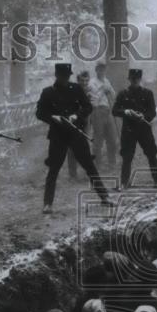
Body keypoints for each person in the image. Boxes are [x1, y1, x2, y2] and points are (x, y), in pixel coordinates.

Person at [35, 63, 113, 214]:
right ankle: (47, 204)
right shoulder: (48, 92)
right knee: (54, 169)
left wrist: (76, 115)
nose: (65, 79)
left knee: (90, 166)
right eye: (62, 76)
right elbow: (39, 113)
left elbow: (88, 107)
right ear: (57, 76)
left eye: (67, 76)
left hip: (76, 133)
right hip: (57, 135)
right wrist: (53, 117)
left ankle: (104, 196)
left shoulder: (76, 89)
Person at [112, 68, 157, 189]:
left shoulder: (148, 93)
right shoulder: (123, 94)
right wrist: (126, 111)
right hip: (129, 129)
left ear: (140, 79)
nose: (135, 81)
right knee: (127, 156)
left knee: (151, 153)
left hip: (144, 129)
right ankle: (124, 182)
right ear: (129, 79)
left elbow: (153, 112)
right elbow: (114, 110)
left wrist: (143, 116)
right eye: (132, 79)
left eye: (137, 79)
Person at [88, 62, 119, 169]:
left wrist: (109, 90)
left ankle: (112, 163)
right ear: (96, 70)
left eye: (103, 69)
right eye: (100, 69)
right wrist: (103, 90)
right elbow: (95, 100)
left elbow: (114, 95)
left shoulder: (106, 80)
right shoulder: (91, 83)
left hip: (107, 111)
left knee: (112, 138)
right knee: (98, 139)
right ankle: (98, 164)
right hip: (97, 111)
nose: (102, 71)